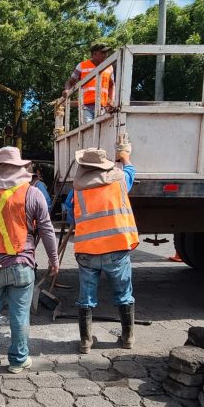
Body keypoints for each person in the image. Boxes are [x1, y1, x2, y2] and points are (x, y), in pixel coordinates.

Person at [0, 147, 59, 374]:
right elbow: (47, 230)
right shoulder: (32, 193)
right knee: (19, 314)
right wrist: (54, 259)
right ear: (20, 168)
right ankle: (18, 360)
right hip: (21, 265)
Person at [72, 142, 138, 354]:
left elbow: (69, 211)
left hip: (87, 250)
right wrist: (125, 155)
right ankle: (128, 338)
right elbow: (130, 172)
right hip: (116, 248)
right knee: (124, 295)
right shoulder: (119, 181)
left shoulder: (76, 189)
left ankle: (85, 342)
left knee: (86, 298)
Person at [62, 42, 115, 123]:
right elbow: (70, 81)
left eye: (106, 52)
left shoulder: (109, 67)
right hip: (86, 107)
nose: (106, 55)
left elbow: (111, 85)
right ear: (95, 53)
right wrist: (66, 90)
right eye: (103, 52)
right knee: (88, 131)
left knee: (101, 132)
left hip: (102, 107)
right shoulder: (82, 65)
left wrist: (112, 100)